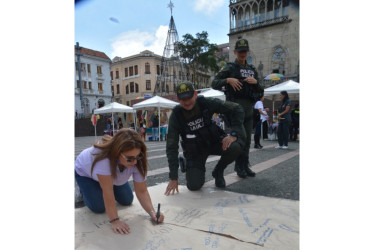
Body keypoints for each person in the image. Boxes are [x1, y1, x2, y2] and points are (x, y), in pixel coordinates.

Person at [75, 128, 164, 235]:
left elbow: (142, 191)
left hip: (111, 174)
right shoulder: (103, 158)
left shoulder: (137, 160)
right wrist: (114, 220)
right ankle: (82, 189)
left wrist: (152, 212)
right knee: (98, 207)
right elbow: (108, 192)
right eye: (130, 158)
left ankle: (105, 182)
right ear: (117, 152)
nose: (135, 162)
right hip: (85, 174)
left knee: (127, 200)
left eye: (138, 156)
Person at [164, 82, 245, 193]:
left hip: (214, 143)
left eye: (189, 98)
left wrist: (234, 134)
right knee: (194, 186)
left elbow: (237, 109)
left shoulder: (206, 103)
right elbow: (171, 146)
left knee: (235, 146)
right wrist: (173, 177)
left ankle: (218, 171)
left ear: (195, 94)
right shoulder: (176, 116)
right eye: (183, 99)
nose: (187, 102)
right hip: (195, 152)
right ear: (178, 99)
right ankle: (188, 164)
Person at [212, 38, 263, 178]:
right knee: (241, 139)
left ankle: (244, 166)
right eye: (240, 51)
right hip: (235, 110)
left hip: (248, 110)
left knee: (247, 140)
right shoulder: (230, 67)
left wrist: (256, 82)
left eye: (245, 51)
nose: (242, 54)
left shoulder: (252, 70)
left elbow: (261, 91)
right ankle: (238, 167)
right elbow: (214, 83)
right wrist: (228, 80)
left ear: (248, 51)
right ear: (235, 52)